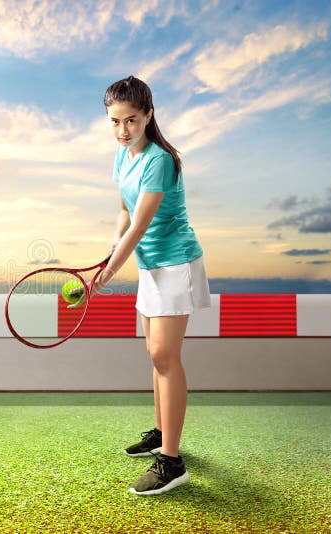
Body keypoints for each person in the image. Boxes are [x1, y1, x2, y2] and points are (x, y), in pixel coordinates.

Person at [86, 75, 211, 495]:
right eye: (115, 121)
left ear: (149, 115)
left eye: (132, 120)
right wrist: (109, 254)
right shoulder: (122, 156)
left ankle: (172, 463)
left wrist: (107, 273)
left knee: (164, 355)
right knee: (154, 356)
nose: (123, 130)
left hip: (176, 264)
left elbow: (140, 226)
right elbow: (123, 211)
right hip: (149, 267)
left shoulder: (159, 159)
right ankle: (162, 433)